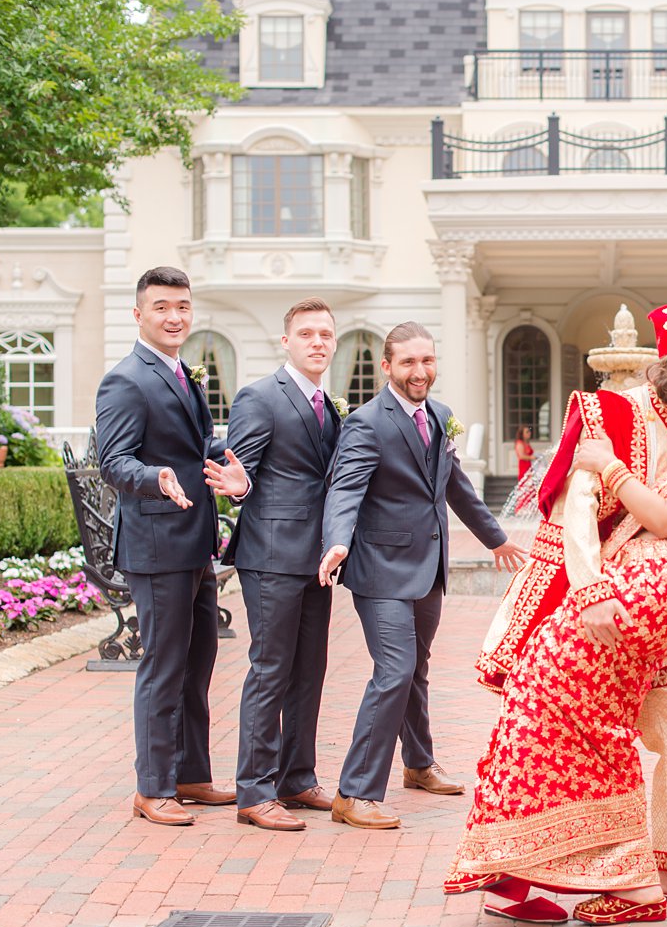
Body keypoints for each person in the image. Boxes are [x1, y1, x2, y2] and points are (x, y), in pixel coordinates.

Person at [445, 370, 667, 926]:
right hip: (639, 598)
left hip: (639, 602)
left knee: (556, 705)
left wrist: (604, 461)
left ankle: (631, 881)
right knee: (662, 727)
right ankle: (558, 875)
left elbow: (661, 517)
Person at [473, 293, 667, 906]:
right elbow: (576, 512)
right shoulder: (608, 411)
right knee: (546, 734)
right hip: (579, 600)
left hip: (639, 612)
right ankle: (509, 883)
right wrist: (592, 591)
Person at [318, 322, 528, 829]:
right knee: (394, 669)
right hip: (379, 570)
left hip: (428, 568)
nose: (420, 371)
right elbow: (345, 489)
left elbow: (453, 484)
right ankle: (355, 793)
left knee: (417, 668)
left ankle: (417, 763)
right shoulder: (368, 423)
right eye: (408, 362)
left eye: (427, 361)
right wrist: (337, 541)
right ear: (387, 366)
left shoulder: (440, 415)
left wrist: (495, 537)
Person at [95, 265, 235, 826]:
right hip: (156, 544)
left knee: (199, 662)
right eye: (161, 307)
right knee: (163, 665)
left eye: (182, 306)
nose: (174, 316)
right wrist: (156, 478)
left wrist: (234, 448)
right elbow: (114, 461)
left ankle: (192, 776)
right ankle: (151, 787)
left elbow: (195, 441)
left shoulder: (183, 374)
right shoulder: (126, 379)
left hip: (195, 543)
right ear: (139, 314)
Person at [202, 297, 342, 831]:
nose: (317, 342)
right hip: (271, 557)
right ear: (286, 341)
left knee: (310, 671)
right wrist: (239, 489)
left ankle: (297, 777)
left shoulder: (329, 405)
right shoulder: (260, 396)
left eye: (325, 334)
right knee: (271, 671)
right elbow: (240, 468)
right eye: (306, 334)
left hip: (318, 561)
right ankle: (255, 791)